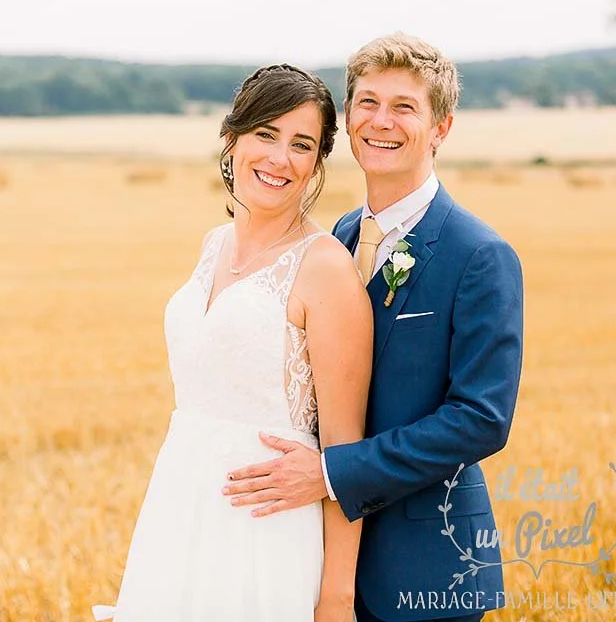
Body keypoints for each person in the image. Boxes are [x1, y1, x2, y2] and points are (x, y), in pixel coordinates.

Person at [222, 34, 524, 622]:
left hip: (426, 569)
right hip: (310, 553)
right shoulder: (334, 237)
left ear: (441, 128)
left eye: (404, 107)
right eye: (367, 103)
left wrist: (333, 474)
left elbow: (482, 419)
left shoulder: (480, 255)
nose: (381, 122)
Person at [93, 64, 373, 621]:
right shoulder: (212, 245)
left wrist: (336, 599)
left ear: (317, 164)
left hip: (265, 532)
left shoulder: (325, 270)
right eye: (265, 134)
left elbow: (345, 452)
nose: (278, 158)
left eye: (301, 144)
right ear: (232, 138)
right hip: (180, 507)